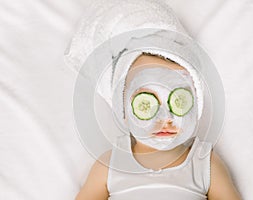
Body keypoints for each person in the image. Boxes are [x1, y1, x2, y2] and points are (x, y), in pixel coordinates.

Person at [75, 52, 241, 200]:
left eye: (179, 102)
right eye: (147, 105)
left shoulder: (204, 161)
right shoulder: (110, 164)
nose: (165, 119)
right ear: (123, 111)